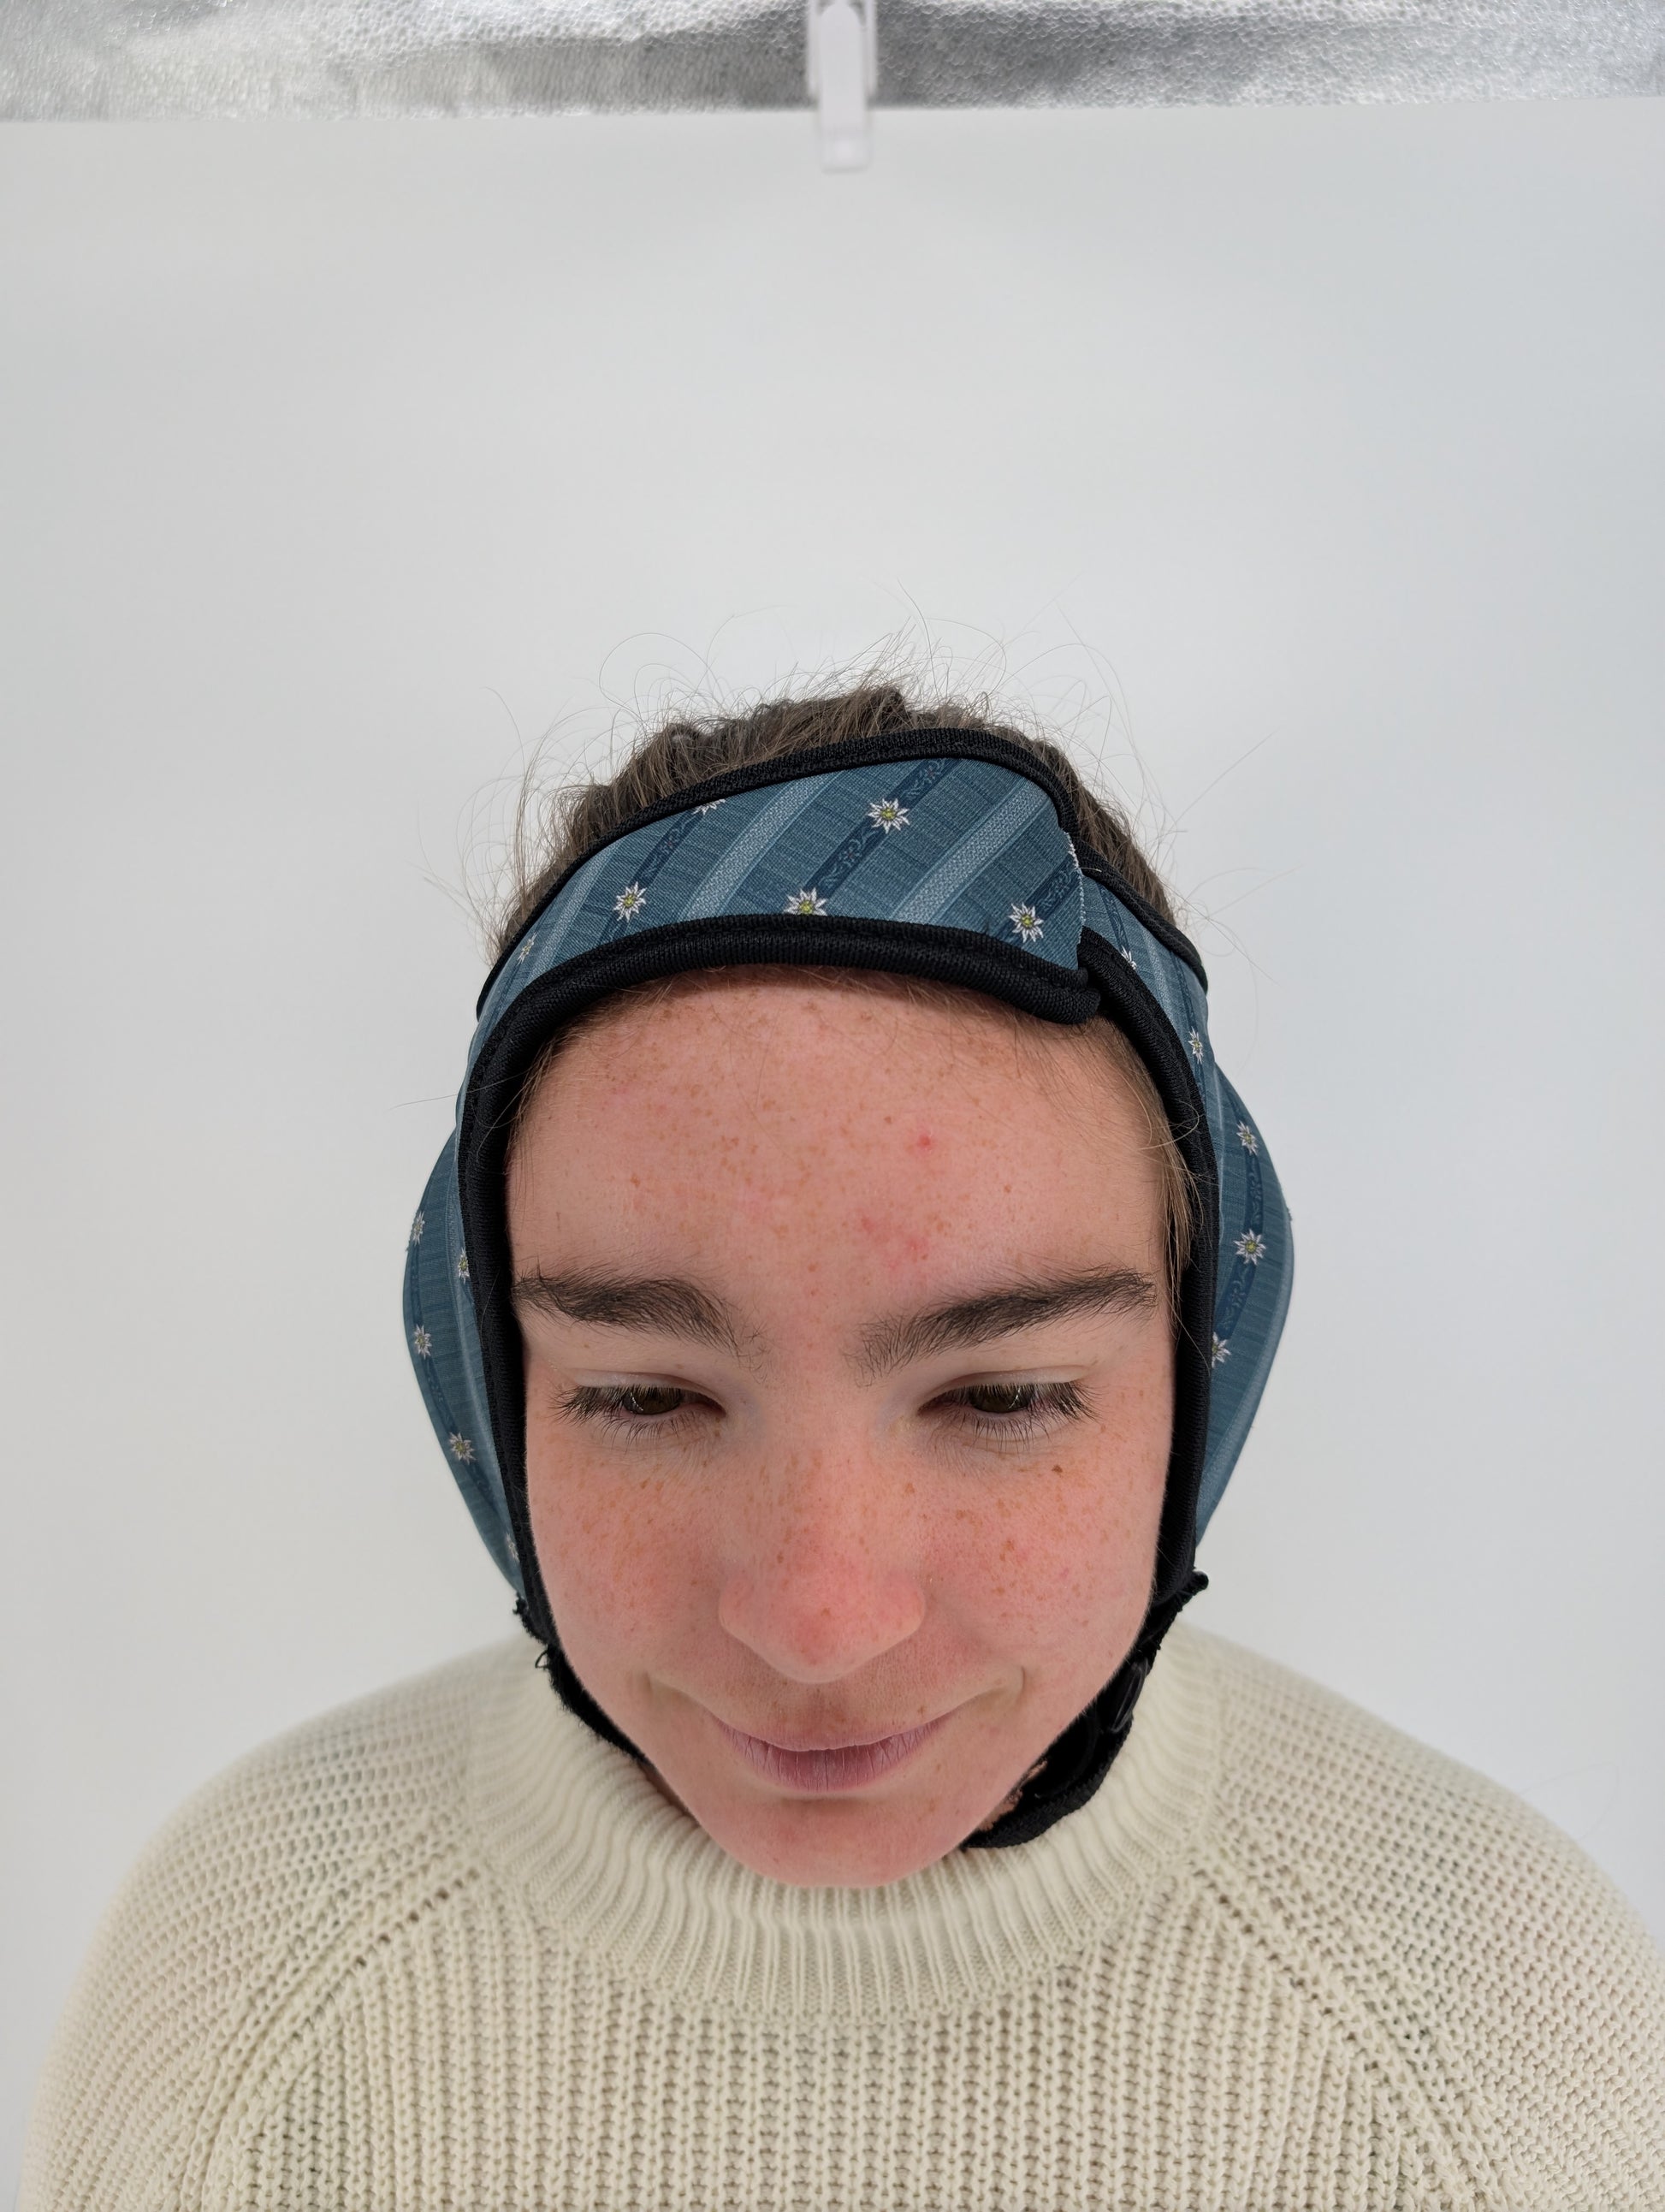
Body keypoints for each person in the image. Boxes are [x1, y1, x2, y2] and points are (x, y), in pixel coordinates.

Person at [21, 684, 1665, 2209]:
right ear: (490, 1375)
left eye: (1002, 1397)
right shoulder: (244, 1986)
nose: (817, 1625)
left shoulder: (1492, 2033)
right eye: (645, 1396)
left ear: (1198, 1371)